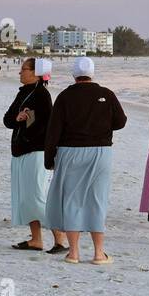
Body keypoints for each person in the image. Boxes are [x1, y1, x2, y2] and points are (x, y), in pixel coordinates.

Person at [44, 56, 126, 264]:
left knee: (72, 200)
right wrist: (101, 126)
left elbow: (53, 130)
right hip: (100, 152)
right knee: (97, 200)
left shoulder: (64, 96)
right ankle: (99, 253)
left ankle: (74, 253)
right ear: (92, 73)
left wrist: (49, 158)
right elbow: (120, 121)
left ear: (74, 74)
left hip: (70, 152)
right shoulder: (106, 94)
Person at [3, 57, 66, 253]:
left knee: (39, 196)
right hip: (21, 150)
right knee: (26, 198)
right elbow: (7, 120)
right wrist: (18, 118)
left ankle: (60, 239)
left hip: (36, 151)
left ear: (36, 73)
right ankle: (36, 239)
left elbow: (46, 125)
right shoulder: (23, 93)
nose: (20, 73)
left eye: (23, 69)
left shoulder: (42, 95)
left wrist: (27, 126)